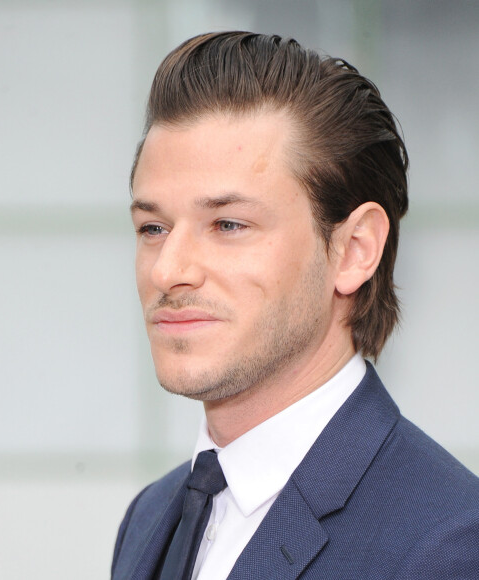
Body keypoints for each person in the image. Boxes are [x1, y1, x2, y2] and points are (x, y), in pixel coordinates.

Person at [111, 31, 479, 580]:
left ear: (354, 251)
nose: (168, 270)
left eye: (228, 224)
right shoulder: (148, 518)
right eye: (153, 227)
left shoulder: (448, 545)